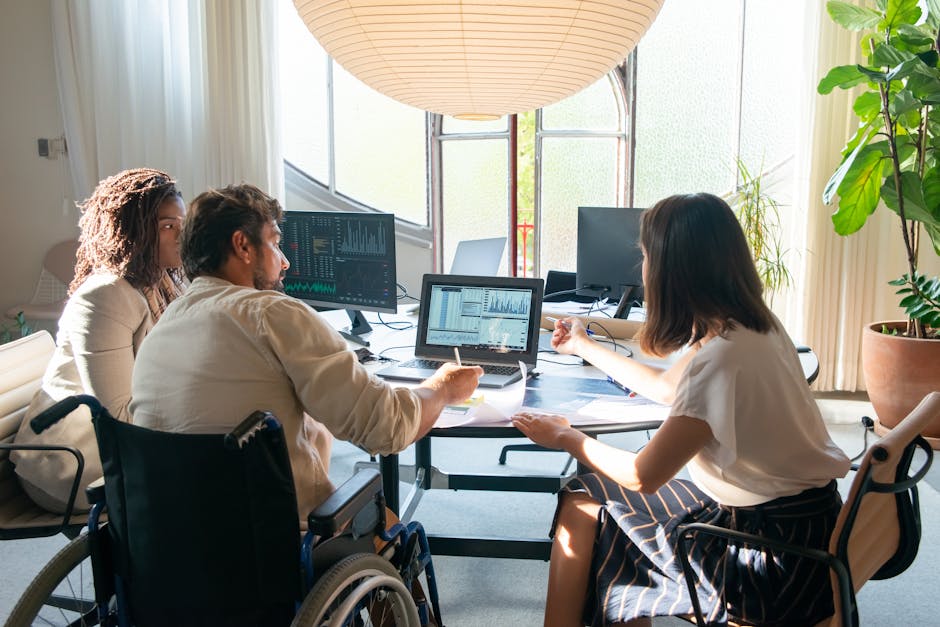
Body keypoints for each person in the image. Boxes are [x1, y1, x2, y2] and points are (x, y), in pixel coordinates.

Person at [512, 193, 850, 627]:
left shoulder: (722, 356)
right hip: (801, 526)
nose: (643, 268)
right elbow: (665, 387)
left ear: (674, 270)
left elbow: (643, 475)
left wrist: (564, 436)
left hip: (765, 555)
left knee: (599, 521)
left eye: (647, 256)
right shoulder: (748, 325)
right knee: (587, 496)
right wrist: (583, 345)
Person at [129, 184, 482, 521]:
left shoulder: (162, 326)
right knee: (397, 531)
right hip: (272, 539)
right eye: (275, 243)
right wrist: (443, 387)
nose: (284, 263)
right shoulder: (273, 314)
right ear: (243, 246)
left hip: (170, 542)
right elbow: (385, 428)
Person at [13, 168, 186, 513]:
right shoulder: (106, 296)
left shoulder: (162, 281)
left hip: (115, 446)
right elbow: (118, 417)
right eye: (168, 226)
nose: (182, 234)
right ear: (134, 231)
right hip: (72, 464)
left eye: (183, 223)